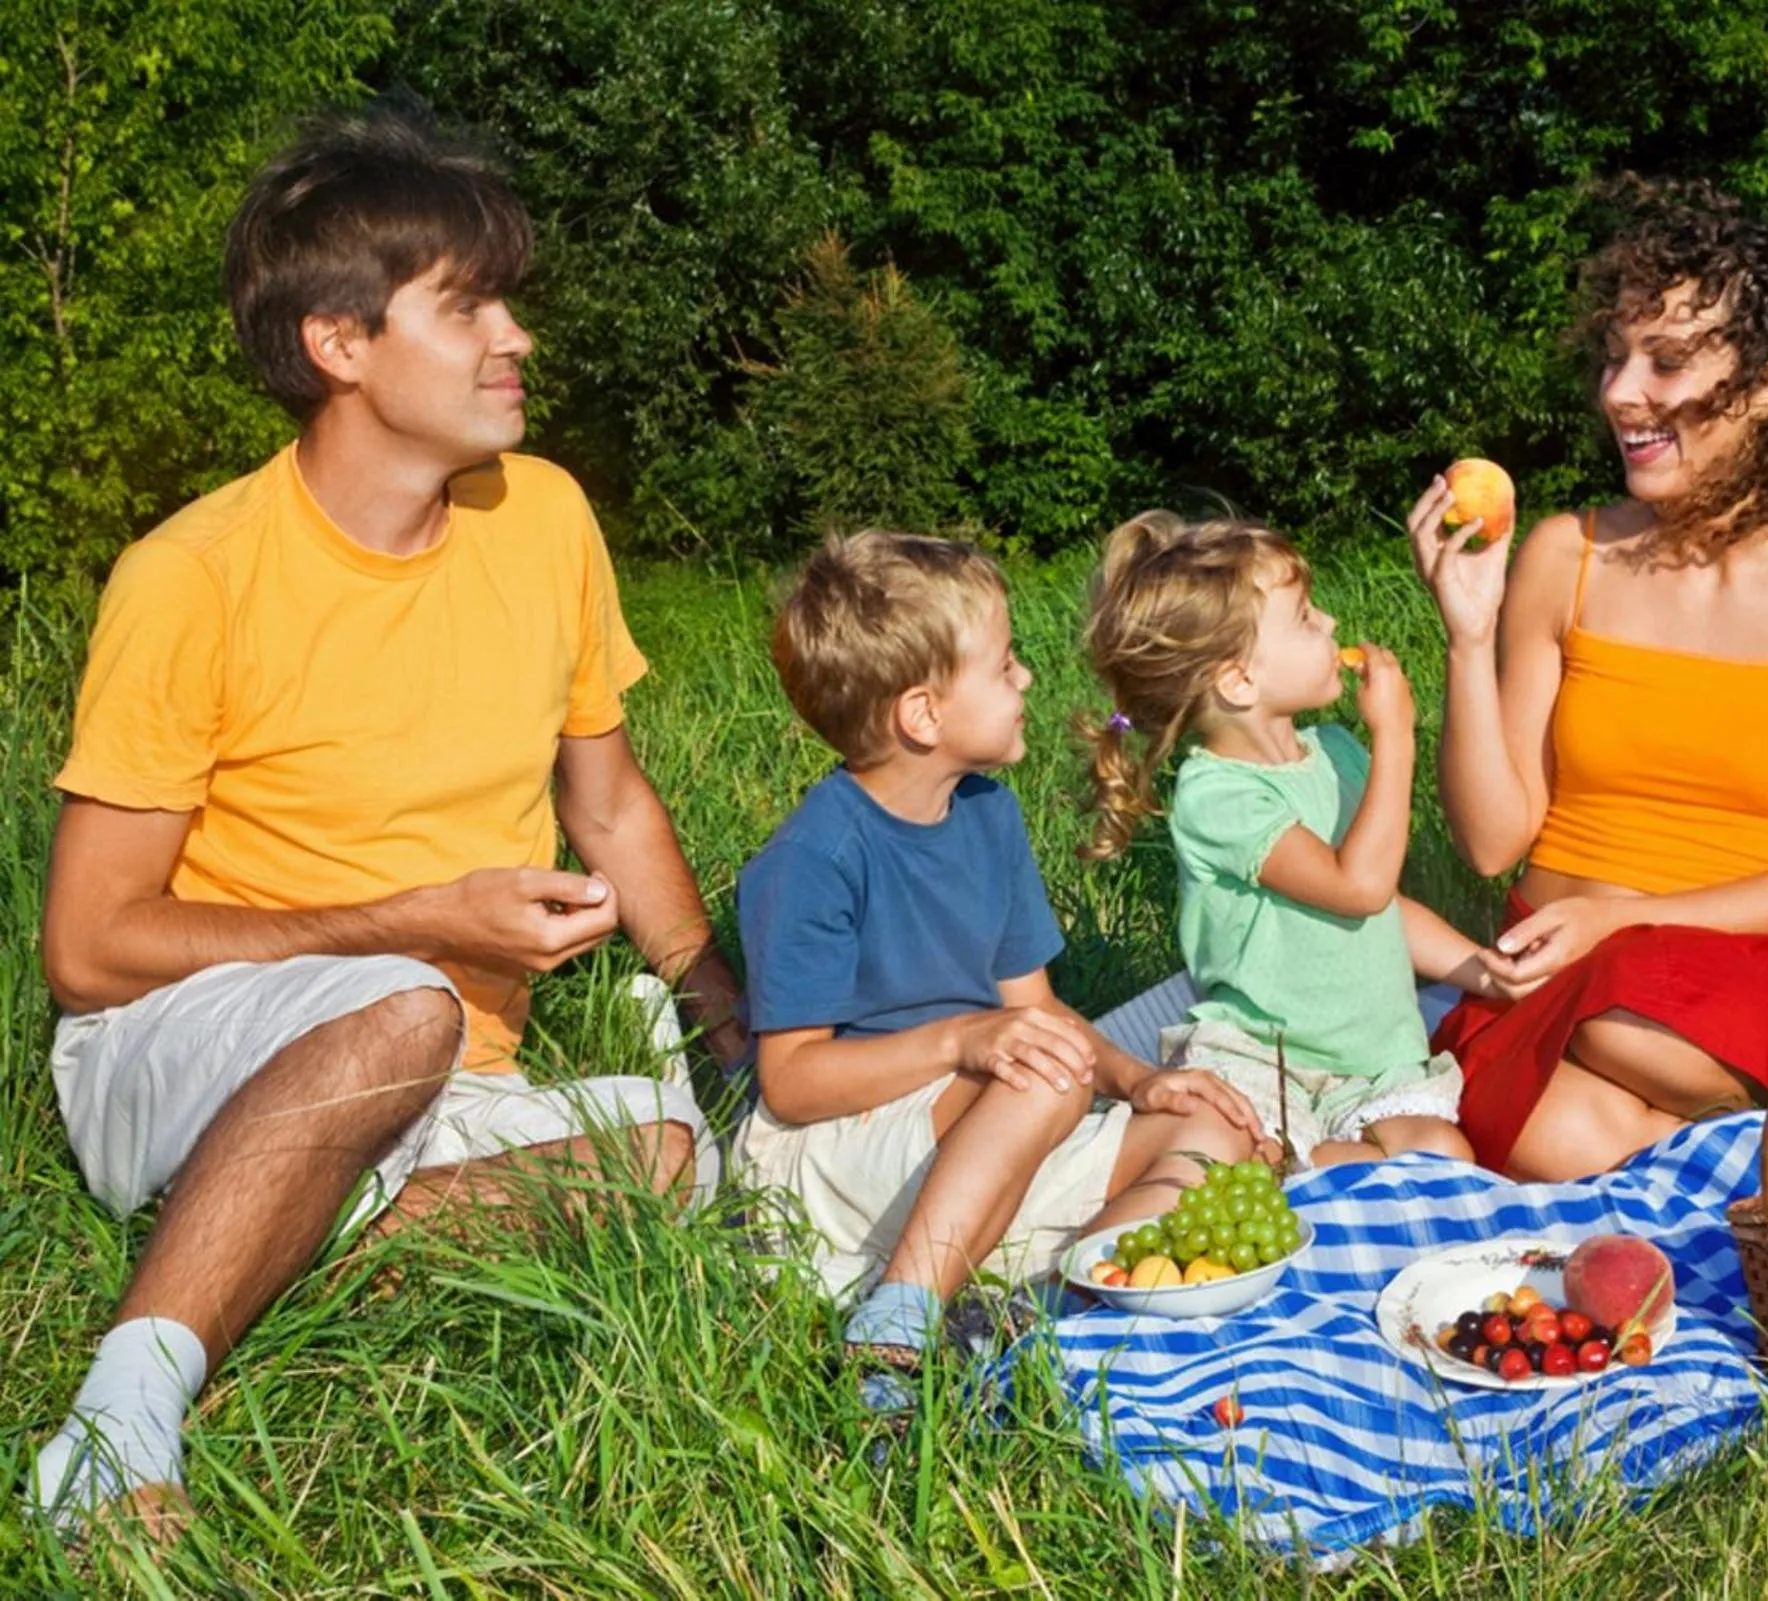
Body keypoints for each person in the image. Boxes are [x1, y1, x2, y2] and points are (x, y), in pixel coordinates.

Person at [24, 105, 746, 1539]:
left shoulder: (539, 517)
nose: (517, 337)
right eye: (467, 304)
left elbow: (604, 802)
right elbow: (90, 950)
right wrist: (415, 927)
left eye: (508, 301)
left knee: (675, 1160)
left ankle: (275, 1245)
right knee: (407, 1003)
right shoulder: (192, 577)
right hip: (184, 1039)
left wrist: (725, 1018)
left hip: (441, 1071)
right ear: (338, 344)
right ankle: (115, 1420)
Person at [1409, 182, 1768, 1181]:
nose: (1620, 393)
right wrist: (1465, 633)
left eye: (1664, 362)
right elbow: (1495, 840)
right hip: (1548, 965)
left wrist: (1616, 920)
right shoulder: (1561, 553)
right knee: (1548, 1139)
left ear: (1767, 386)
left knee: (1618, 1012)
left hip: (1725, 979)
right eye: (1615, 357)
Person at [732, 530, 1267, 1370]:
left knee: (1208, 1131)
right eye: (1004, 661)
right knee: (1045, 1072)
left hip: (982, 1128)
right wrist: (961, 1040)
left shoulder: (988, 815)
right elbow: (791, 1082)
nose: (1025, 676)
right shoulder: (817, 856)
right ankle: (897, 1325)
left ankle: (1033, 1310)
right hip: (830, 1156)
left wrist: (1141, 1081)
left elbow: (1035, 1009)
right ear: (922, 712)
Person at [1081, 511, 1496, 1169]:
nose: (1330, 623)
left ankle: (1321, 1167)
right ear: (1238, 679)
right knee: (1241, 1152)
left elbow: (1380, 904)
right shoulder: (1216, 794)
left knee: (1443, 1152)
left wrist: (1482, 967)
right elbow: (1355, 887)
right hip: (1265, 1059)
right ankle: (1303, 1168)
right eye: (1304, 616)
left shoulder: (1334, 750)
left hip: (1373, 1065)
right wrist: (1397, 736)